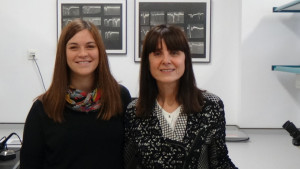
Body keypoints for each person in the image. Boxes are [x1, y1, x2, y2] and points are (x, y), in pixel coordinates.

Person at [20, 19, 131, 169]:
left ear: (100, 51)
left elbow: (130, 156)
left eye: (90, 46)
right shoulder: (43, 108)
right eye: (74, 47)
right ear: (63, 54)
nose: (83, 54)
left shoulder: (119, 97)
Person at [124, 24, 237, 169]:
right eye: (157, 53)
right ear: (147, 61)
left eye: (174, 52)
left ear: (185, 59)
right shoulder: (135, 111)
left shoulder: (210, 105)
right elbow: (129, 164)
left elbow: (220, 161)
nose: (166, 60)